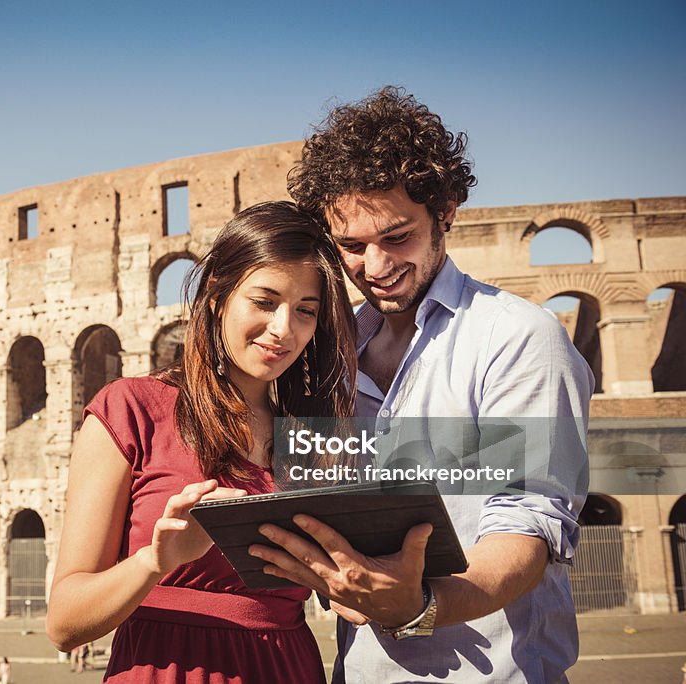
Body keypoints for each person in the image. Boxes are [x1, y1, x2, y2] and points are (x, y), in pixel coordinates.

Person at [247, 86, 593, 683]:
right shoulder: (332, 346)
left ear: (447, 210)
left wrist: (420, 607)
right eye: (351, 246)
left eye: (398, 236)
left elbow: (527, 521)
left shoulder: (516, 339)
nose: (375, 267)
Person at [46, 201, 357, 682]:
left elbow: (346, 597)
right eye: (264, 301)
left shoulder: (315, 435)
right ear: (217, 295)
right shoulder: (129, 409)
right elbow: (64, 624)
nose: (284, 329)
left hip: (286, 666)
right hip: (166, 667)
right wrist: (155, 560)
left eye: (305, 311)